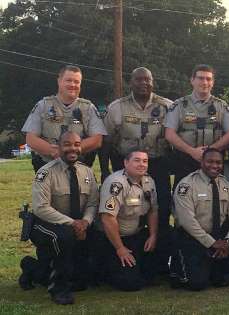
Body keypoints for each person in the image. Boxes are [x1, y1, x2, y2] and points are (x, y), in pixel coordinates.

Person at [103, 67, 172, 272]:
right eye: (139, 79)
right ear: (130, 82)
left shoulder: (167, 106)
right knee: (125, 209)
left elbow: (173, 137)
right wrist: (105, 169)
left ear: (153, 82)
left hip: (157, 164)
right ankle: (121, 252)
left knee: (161, 208)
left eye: (148, 80)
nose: (144, 83)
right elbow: (106, 141)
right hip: (124, 163)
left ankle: (159, 260)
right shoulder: (117, 107)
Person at [18, 131, 99, 305]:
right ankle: (59, 289)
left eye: (77, 144)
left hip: (78, 224)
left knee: (79, 282)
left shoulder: (87, 172)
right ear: (59, 147)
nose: (73, 148)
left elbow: (92, 203)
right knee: (64, 236)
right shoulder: (45, 172)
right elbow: (41, 208)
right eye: (67, 144)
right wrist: (73, 223)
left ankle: (32, 268)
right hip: (46, 225)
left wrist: (85, 222)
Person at [170, 148, 229, 290]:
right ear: (202, 162)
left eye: (218, 162)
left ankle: (216, 271)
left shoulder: (226, 185)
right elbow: (187, 222)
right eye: (210, 162)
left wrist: (228, 242)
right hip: (193, 239)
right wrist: (211, 243)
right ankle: (179, 269)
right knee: (197, 285)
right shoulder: (187, 185)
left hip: (218, 239)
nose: (215, 166)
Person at [21, 65, 107, 172]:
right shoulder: (43, 105)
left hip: (79, 167)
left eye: (76, 82)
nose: (72, 85)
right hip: (47, 166)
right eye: (68, 80)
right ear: (59, 81)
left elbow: (97, 140)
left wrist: (71, 151)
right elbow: (31, 139)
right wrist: (55, 151)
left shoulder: (88, 108)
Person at [96, 149, 159, 291]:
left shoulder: (149, 181)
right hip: (114, 240)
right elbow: (107, 218)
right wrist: (120, 249)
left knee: (151, 276)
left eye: (145, 161)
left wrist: (153, 235)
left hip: (136, 234)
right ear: (125, 163)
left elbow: (153, 210)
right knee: (130, 284)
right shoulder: (116, 184)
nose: (142, 164)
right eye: (137, 160)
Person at [165, 64, 229, 186]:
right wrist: (192, 151)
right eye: (200, 78)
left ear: (213, 83)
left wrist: (209, 151)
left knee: (213, 199)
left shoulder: (221, 106)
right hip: (185, 160)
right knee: (183, 197)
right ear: (192, 80)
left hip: (213, 162)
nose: (205, 82)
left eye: (208, 79)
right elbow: (169, 134)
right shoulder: (179, 105)